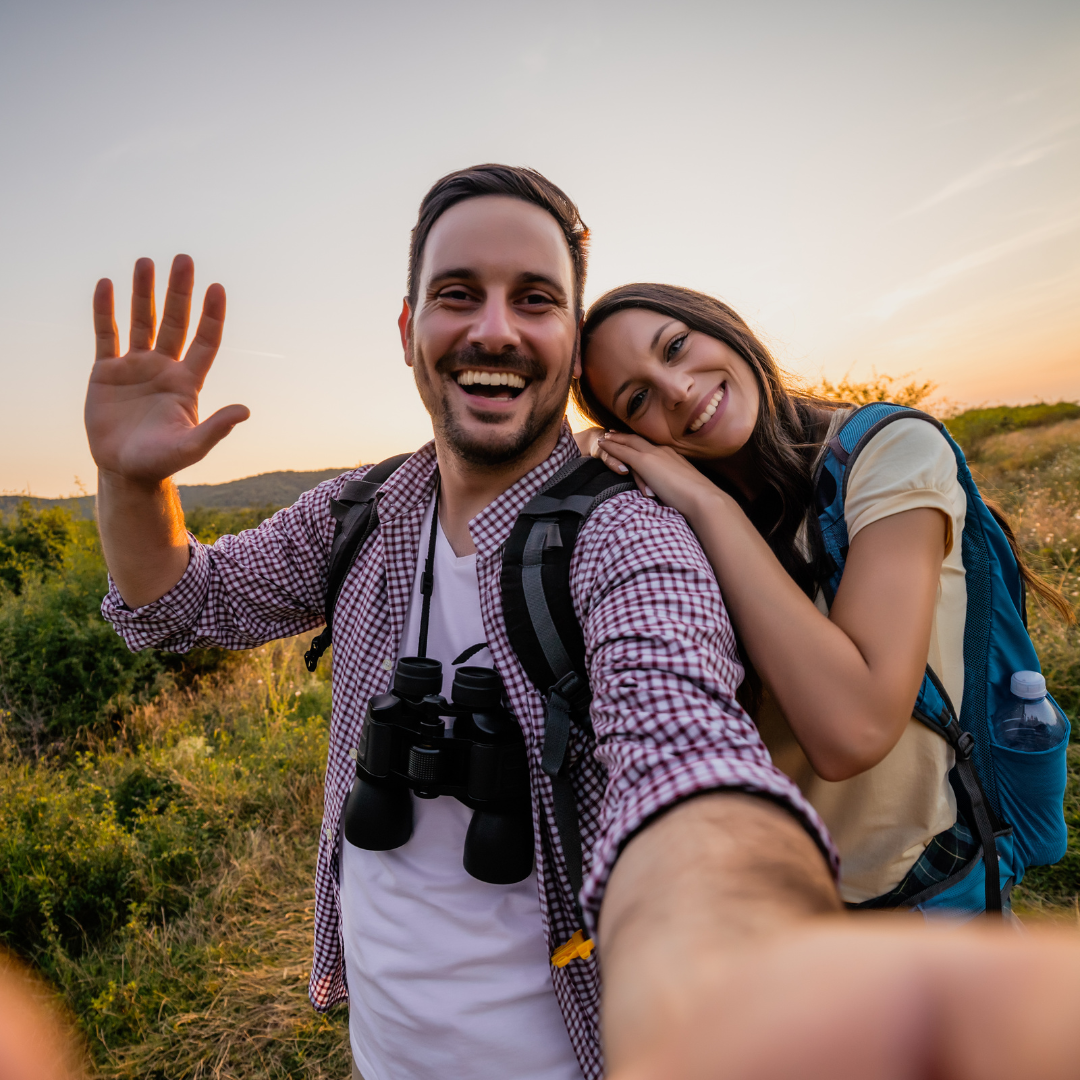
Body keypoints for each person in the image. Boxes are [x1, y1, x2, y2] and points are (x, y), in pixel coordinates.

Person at [86, 167, 1080, 1080]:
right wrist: (133, 485)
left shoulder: (628, 537)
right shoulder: (362, 511)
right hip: (384, 1047)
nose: (495, 329)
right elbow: (181, 605)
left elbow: (684, 749)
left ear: (568, 350)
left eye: (536, 299)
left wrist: (731, 959)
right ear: (406, 329)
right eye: (457, 293)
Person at [572, 282, 1071, 911]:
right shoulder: (664, 516)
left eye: (675, 347)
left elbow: (852, 731)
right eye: (637, 398)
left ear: (722, 325)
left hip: (923, 892)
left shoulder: (888, 451)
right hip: (784, 907)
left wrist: (709, 505)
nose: (676, 390)